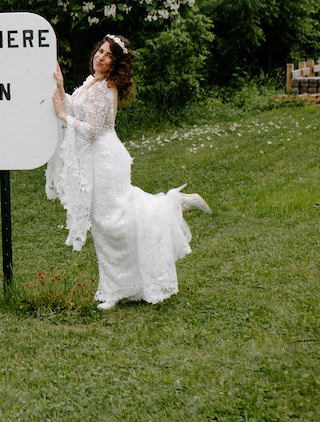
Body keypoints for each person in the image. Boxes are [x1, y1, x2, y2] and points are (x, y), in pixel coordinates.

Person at [45, 34, 211, 310]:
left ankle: (168, 208)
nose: (100, 57)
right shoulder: (93, 83)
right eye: (99, 51)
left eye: (108, 55)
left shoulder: (103, 88)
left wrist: (63, 117)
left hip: (106, 161)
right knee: (106, 224)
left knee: (112, 224)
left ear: (115, 63)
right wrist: (62, 89)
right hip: (100, 160)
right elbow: (76, 106)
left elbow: (92, 130)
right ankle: (115, 286)